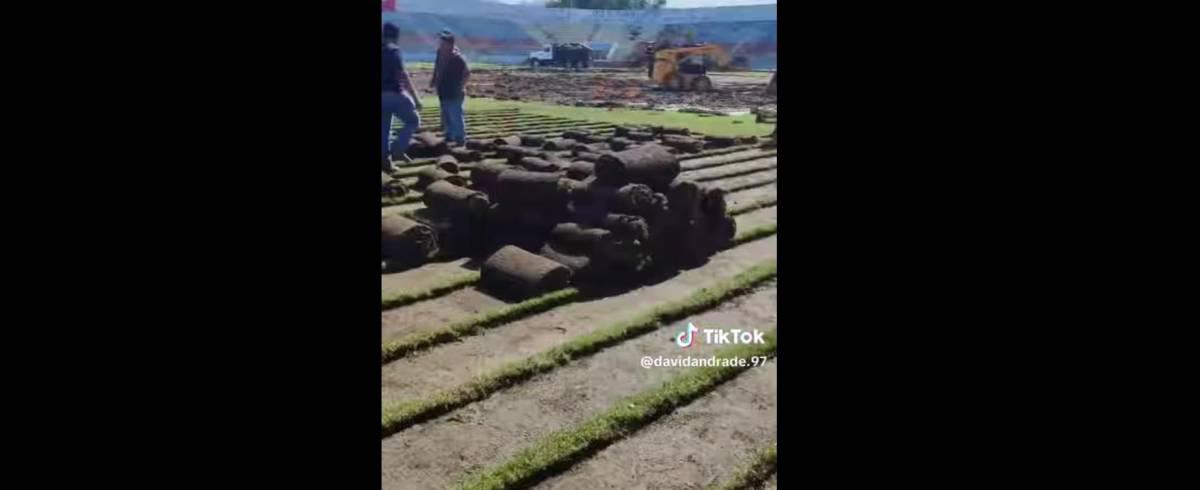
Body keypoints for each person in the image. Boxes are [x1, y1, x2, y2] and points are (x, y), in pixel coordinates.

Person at [382, 22, 422, 171]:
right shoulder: (394, 51)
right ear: (396, 37)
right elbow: (403, 75)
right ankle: (398, 148)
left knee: (384, 129)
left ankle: (385, 161)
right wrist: (415, 98)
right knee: (413, 120)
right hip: (393, 94)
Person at [430, 30, 470, 146]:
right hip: (443, 90)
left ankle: (460, 138)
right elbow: (437, 67)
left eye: (443, 43)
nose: (440, 45)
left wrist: (461, 87)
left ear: (450, 44)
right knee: (446, 114)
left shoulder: (458, 58)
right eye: (440, 42)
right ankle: (449, 135)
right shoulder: (440, 53)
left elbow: (467, 73)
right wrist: (433, 80)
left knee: (455, 115)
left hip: (454, 92)